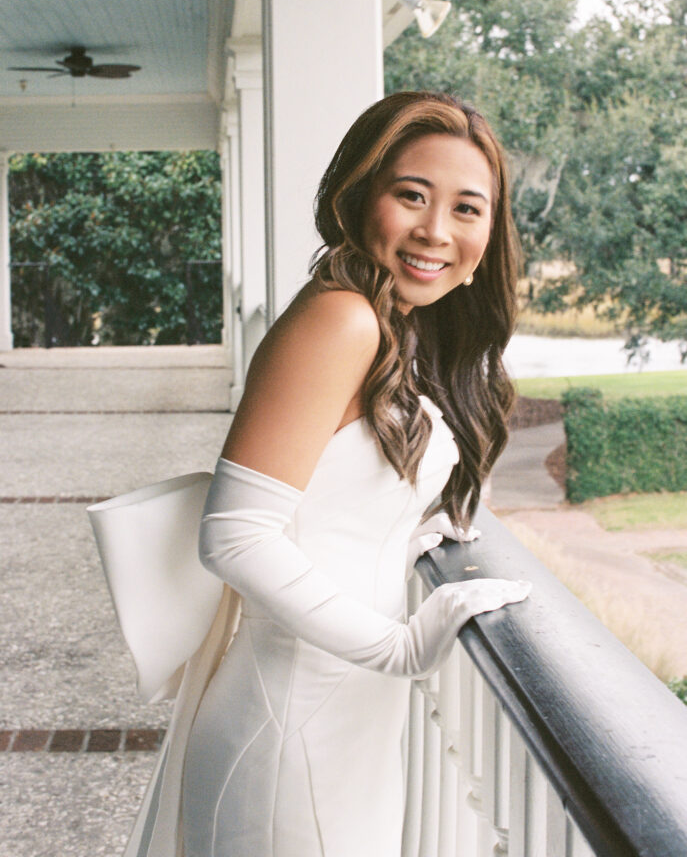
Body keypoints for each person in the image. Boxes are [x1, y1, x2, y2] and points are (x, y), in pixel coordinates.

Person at [176, 90, 531, 857]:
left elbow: (332, 501)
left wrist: (408, 530)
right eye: (410, 195)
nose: (436, 230)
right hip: (293, 722)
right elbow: (234, 536)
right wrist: (395, 647)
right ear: (357, 196)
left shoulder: (393, 330)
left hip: (343, 727)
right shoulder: (343, 318)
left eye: (467, 209)